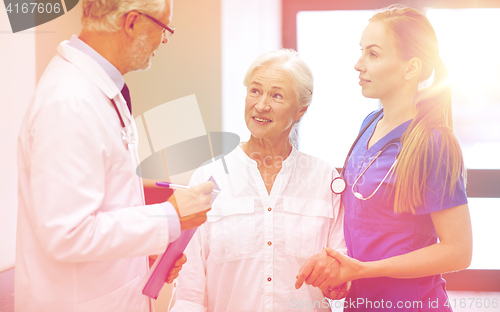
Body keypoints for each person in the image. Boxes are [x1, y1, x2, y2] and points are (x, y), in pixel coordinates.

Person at [15, 0, 214, 311]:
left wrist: (142, 249)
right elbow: (68, 233)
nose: (164, 40)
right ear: (132, 22)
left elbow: (103, 206)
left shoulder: (99, 89)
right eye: (164, 28)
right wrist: (170, 217)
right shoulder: (69, 103)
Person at [295, 5, 472, 311]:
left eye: (373, 54)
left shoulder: (433, 142)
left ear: (410, 68)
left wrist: (364, 270)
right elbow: (365, 224)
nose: (357, 64)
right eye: (361, 52)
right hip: (360, 302)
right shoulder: (370, 123)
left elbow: (459, 251)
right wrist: (346, 275)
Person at [170, 49, 346, 312]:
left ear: (300, 111)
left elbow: (342, 278)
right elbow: (189, 290)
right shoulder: (208, 179)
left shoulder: (325, 180)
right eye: (255, 91)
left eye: (276, 95)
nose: (261, 105)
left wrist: (340, 283)